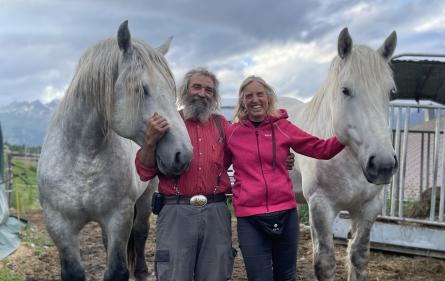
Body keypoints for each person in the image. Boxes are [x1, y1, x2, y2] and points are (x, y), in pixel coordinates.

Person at [135, 68, 294, 281]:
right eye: (197, 87)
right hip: (176, 211)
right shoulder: (168, 124)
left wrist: (280, 155)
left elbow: (250, 152)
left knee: (216, 274)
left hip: (216, 212)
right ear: (185, 91)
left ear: (214, 95)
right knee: (174, 274)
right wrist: (150, 140)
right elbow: (144, 172)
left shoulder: (224, 126)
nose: (202, 93)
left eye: (209, 90)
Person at [225, 75, 346, 281]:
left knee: (286, 277)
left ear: (269, 97)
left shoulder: (283, 127)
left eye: (260, 94)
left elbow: (321, 149)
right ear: (242, 101)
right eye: (249, 96)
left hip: (285, 215)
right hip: (249, 219)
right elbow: (216, 166)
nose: (255, 99)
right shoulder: (232, 133)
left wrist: (346, 134)